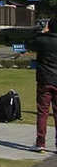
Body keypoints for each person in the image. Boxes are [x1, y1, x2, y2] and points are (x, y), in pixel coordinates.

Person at [26, 18, 57, 152]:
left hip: (45, 79)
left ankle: (40, 142)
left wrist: (41, 32)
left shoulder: (42, 40)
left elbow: (28, 43)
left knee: (43, 112)